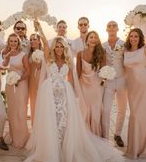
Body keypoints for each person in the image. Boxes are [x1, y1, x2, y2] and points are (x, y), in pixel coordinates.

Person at [25, 23, 123, 162]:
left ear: (65, 48)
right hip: (49, 93)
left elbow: (71, 79)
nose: (59, 48)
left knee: (63, 120)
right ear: (54, 48)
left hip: (64, 94)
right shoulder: (49, 58)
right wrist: (39, 28)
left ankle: (63, 145)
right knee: (51, 119)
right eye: (57, 46)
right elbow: (45, 44)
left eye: (61, 46)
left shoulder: (68, 61)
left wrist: (73, 96)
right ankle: (52, 147)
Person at [2, 33, 30, 148]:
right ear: (8, 42)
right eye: (11, 41)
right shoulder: (5, 53)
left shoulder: (23, 55)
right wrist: (7, 56)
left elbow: (28, 71)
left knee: (21, 111)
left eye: (15, 41)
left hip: (21, 85)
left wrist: (19, 80)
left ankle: (22, 138)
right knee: (12, 111)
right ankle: (14, 136)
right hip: (9, 86)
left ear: (18, 43)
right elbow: (3, 67)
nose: (13, 43)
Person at [102, 21, 127, 147]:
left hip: (122, 79)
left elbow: (128, 61)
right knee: (106, 109)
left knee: (122, 109)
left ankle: (117, 134)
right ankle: (105, 137)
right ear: (106, 29)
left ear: (117, 28)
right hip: (109, 81)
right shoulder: (103, 45)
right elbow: (101, 63)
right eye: (109, 26)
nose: (111, 27)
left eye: (114, 25)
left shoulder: (124, 44)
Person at [77, 30, 106, 136]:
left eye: (95, 37)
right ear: (87, 40)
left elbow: (104, 71)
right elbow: (78, 73)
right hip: (83, 85)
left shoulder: (102, 53)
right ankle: (84, 136)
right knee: (84, 110)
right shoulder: (80, 54)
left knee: (95, 111)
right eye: (91, 37)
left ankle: (95, 134)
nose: (93, 39)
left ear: (98, 40)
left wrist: (105, 79)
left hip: (96, 86)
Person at [124, 28, 146, 159]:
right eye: (131, 36)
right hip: (131, 87)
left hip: (143, 85)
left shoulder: (144, 49)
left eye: (136, 36)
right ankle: (133, 148)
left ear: (140, 38)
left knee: (140, 116)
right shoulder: (125, 51)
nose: (133, 38)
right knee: (134, 115)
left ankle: (141, 148)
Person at [28, 33, 43, 124]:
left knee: (41, 104)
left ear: (39, 41)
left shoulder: (43, 52)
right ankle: (34, 126)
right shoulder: (28, 53)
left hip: (40, 79)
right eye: (31, 39)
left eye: (35, 39)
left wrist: (38, 62)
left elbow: (43, 67)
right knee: (33, 104)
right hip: (31, 81)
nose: (33, 41)